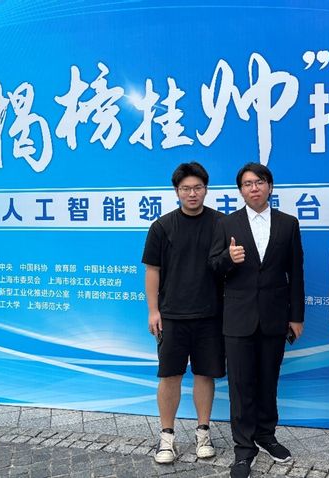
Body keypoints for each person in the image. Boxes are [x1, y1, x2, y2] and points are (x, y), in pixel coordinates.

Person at [209, 162, 305, 478]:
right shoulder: (226, 223)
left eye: (260, 182)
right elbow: (213, 267)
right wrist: (229, 259)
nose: (254, 188)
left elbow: (296, 272)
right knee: (240, 384)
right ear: (241, 190)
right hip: (238, 318)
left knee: (268, 380)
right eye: (248, 183)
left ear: (270, 186)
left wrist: (296, 316)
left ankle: (266, 435)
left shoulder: (288, 224)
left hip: (275, 317)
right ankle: (243, 448)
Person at [142, 162, 225, 464]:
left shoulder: (221, 223)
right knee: (170, 376)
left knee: (205, 375)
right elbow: (153, 271)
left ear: (206, 189)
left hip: (210, 315)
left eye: (198, 188)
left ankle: (203, 433)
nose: (192, 193)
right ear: (176, 191)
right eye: (186, 189)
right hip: (172, 316)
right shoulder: (162, 227)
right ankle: (167, 438)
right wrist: (153, 311)